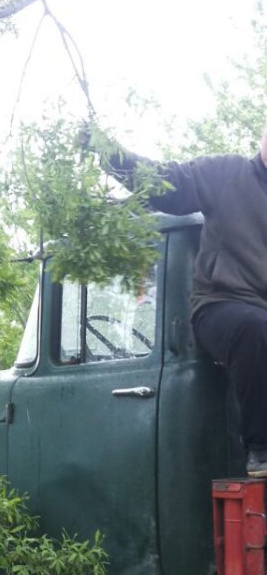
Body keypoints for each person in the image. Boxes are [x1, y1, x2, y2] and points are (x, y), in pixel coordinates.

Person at [93, 126, 267, 478]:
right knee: (256, 328)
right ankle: (261, 449)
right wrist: (109, 153)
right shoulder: (227, 174)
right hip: (221, 305)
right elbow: (166, 183)